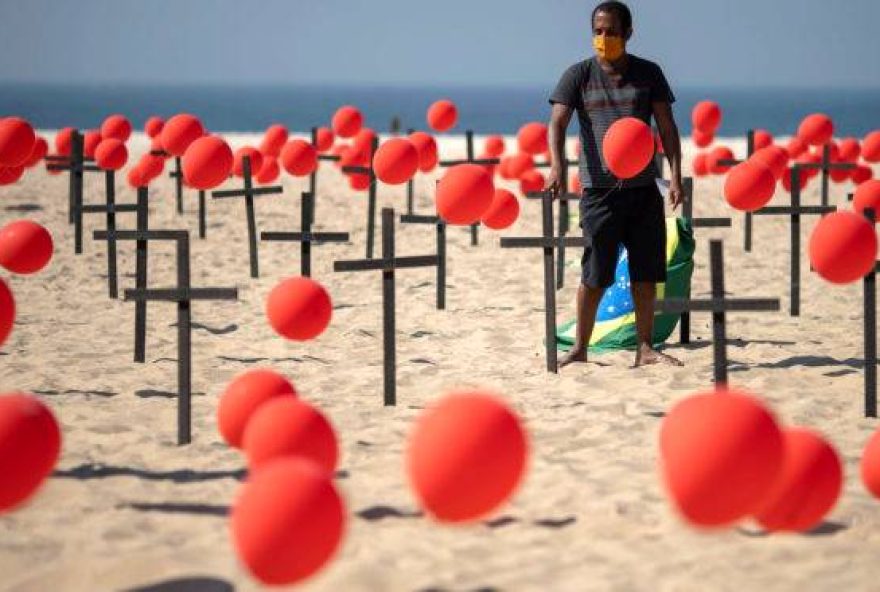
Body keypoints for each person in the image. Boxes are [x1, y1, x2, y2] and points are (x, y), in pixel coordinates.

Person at [547, 1, 685, 369]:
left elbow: (667, 127)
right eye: (597, 31)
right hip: (599, 192)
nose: (603, 38)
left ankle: (645, 347)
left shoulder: (649, 73)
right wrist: (557, 167)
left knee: (646, 273)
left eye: (610, 31)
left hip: (643, 190)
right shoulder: (577, 75)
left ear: (628, 33)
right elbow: (557, 123)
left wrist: (676, 175)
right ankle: (580, 347)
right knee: (595, 274)